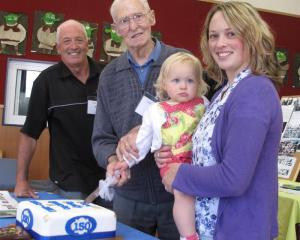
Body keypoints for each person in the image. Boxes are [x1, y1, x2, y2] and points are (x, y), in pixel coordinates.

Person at [156, 2, 283, 240]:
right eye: (213, 35)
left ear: (252, 37)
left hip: (240, 231)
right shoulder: (226, 91)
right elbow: (207, 157)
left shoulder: (253, 91)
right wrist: (172, 156)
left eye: (231, 33)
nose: (219, 43)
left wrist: (180, 174)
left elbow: (233, 178)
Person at [91, 0, 190, 239]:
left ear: (152, 17)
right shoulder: (109, 76)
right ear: (115, 29)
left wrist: (146, 130)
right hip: (129, 198)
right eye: (124, 21)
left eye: (138, 16)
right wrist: (113, 160)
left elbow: (203, 120)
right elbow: (101, 138)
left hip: (178, 193)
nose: (133, 26)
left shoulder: (182, 61)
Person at [112, 52, 208, 240]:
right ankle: (188, 236)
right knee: (183, 191)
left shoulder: (203, 103)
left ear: (199, 83)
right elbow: (143, 140)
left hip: (199, 161)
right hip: (172, 161)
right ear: (164, 84)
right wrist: (126, 162)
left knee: (202, 195)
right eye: (176, 80)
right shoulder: (156, 110)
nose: (183, 86)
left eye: (190, 81)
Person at [14, 19, 107, 206]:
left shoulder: (107, 75)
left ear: (88, 44)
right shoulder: (45, 82)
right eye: (66, 41)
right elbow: (30, 134)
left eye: (79, 40)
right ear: (58, 48)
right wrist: (21, 180)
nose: (74, 46)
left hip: (111, 178)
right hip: (69, 183)